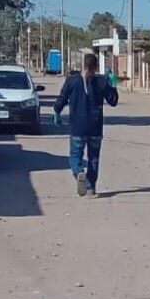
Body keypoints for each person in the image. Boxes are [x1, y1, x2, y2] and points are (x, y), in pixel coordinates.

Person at [54, 53, 119, 198]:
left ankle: (79, 172)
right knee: (93, 158)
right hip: (95, 128)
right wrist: (113, 85)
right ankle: (90, 189)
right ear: (96, 67)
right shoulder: (102, 82)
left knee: (75, 155)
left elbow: (62, 99)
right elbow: (113, 101)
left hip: (78, 127)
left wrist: (57, 112)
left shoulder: (72, 81)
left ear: (83, 65)